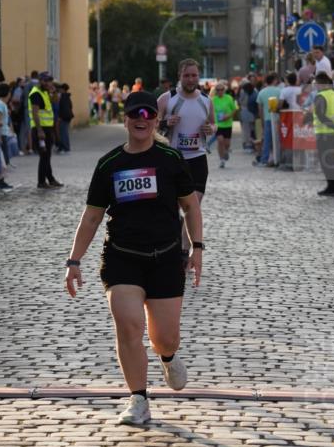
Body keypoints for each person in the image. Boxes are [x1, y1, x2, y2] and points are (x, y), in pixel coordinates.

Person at [65, 90, 203, 427]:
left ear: (155, 120)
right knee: (129, 326)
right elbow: (92, 217)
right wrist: (73, 261)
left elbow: (190, 206)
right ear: (125, 119)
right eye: (134, 115)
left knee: (164, 337)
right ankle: (138, 399)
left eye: (147, 115)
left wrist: (197, 248)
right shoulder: (110, 165)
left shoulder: (170, 159)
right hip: (122, 258)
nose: (141, 120)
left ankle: (168, 357)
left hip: (166, 258)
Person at [157, 58, 214, 249]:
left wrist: (210, 128)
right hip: (173, 159)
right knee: (173, 207)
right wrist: (165, 123)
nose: (191, 79)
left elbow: (213, 123)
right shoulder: (167, 99)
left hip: (198, 159)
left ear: (198, 76)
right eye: (186, 75)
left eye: (194, 75)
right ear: (179, 77)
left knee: (193, 206)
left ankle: (183, 248)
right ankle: (176, 235)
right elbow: (149, 125)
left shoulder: (206, 100)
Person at [305, 71, 334, 196]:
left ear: (321, 84)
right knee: (333, 161)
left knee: (326, 162)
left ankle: (332, 187)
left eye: (316, 84)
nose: (315, 86)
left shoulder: (320, 96)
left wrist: (333, 126)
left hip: (324, 134)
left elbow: (320, 115)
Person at [28, 71, 63, 189]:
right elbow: (35, 113)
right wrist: (39, 131)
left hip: (48, 128)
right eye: (47, 81)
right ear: (41, 81)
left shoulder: (45, 92)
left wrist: (53, 92)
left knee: (47, 155)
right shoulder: (35, 94)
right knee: (44, 156)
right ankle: (41, 182)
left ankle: (50, 179)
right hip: (40, 129)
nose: (49, 83)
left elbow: (55, 102)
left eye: (50, 81)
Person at [211, 80, 238, 168]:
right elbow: (210, 112)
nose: (219, 91)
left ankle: (226, 151)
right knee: (220, 140)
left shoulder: (229, 98)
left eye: (221, 89)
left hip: (228, 124)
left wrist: (228, 116)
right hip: (218, 124)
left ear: (224, 90)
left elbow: (235, 109)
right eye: (218, 90)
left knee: (227, 143)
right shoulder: (213, 100)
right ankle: (222, 160)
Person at [56, 83, 74, 153]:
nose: (59, 90)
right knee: (65, 132)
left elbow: (63, 108)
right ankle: (66, 147)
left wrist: (60, 117)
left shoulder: (63, 97)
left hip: (64, 117)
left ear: (63, 89)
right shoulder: (67, 96)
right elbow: (70, 106)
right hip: (67, 116)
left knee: (63, 132)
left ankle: (65, 147)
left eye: (60, 89)